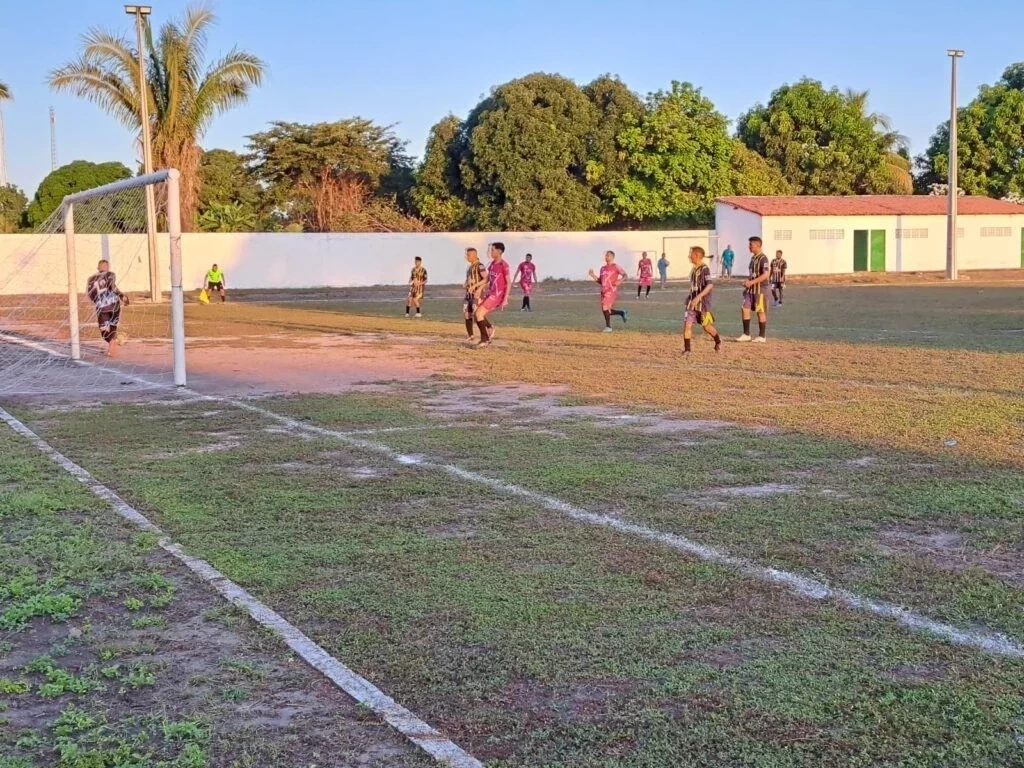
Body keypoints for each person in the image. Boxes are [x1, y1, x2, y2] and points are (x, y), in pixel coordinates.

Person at [86, 259, 129, 357]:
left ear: (98, 267)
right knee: (113, 325)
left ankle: (111, 342)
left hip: (102, 307)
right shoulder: (111, 274)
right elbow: (113, 287)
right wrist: (122, 297)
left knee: (104, 329)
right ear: (108, 267)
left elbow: (90, 294)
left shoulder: (91, 279)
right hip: (114, 305)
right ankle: (112, 343)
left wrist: (97, 301)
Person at [683, 246, 722, 356]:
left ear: (696, 255)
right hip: (691, 303)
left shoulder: (705, 269)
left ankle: (718, 341)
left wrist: (698, 297)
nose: (689, 256)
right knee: (687, 325)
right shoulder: (694, 269)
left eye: (690, 254)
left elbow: (710, 285)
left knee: (707, 327)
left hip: (702, 304)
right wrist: (691, 297)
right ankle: (687, 350)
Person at [474, 242, 511, 347]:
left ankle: (484, 340)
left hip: (497, 295)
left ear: (499, 251)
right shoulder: (492, 264)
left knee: (479, 314)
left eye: (492, 250)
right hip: (490, 294)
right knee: (476, 314)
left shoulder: (504, 265)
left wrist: (505, 299)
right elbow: (488, 279)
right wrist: (479, 288)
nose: (490, 252)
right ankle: (489, 328)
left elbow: (508, 283)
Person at [737, 236, 770, 343]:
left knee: (760, 311)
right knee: (744, 308)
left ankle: (762, 336)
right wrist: (748, 282)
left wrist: (751, 282)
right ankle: (746, 334)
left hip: (760, 290)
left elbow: (766, 274)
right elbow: (753, 275)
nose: (749, 247)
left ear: (758, 245)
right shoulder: (753, 258)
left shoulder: (763, 258)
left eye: (751, 245)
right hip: (750, 290)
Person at [588, 251, 628, 332]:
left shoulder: (616, 266)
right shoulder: (602, 268)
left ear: (613, 257)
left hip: (611, 290)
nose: (606, 257)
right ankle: (621, 312)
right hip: (604, 291)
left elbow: (625, 275)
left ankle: (608, 327)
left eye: (608, 255)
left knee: (604, 307)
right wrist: (593, 275)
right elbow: (601, 281)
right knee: (606, 310)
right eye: (606, 255)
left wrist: (620, 281)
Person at [463, 247, 487, 342]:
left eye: (468, 255)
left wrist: (478, 288)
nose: (466, 257)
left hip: (477, 294)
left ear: (474, 255)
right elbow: (469, 279)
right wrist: (466, 284)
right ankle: (471, 335)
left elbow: (486, 279)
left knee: (477, 314)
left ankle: (488, 328)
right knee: (467, 314)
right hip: (468, 294)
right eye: (466, 255)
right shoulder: (469, 267)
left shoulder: (480, 266)